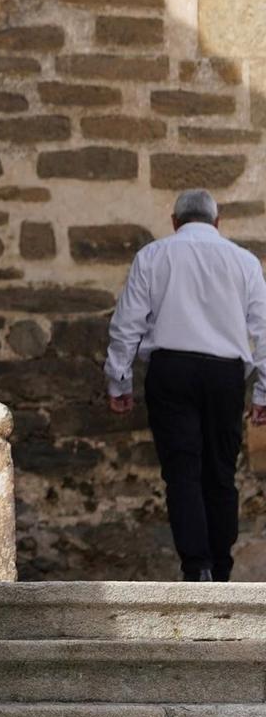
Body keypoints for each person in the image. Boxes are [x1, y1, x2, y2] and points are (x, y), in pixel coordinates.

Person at [104, 188, 266, 581]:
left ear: (175, 222)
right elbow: (263, 330)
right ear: (217, 220)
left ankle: (197, 567)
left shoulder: (154, 256)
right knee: (221, 472)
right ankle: (222, 567)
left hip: (171, 370)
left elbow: (127, 325)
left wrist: (118, 381)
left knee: (182, 471)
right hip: (225, 374)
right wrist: (263, 393)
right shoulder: (244, 262)